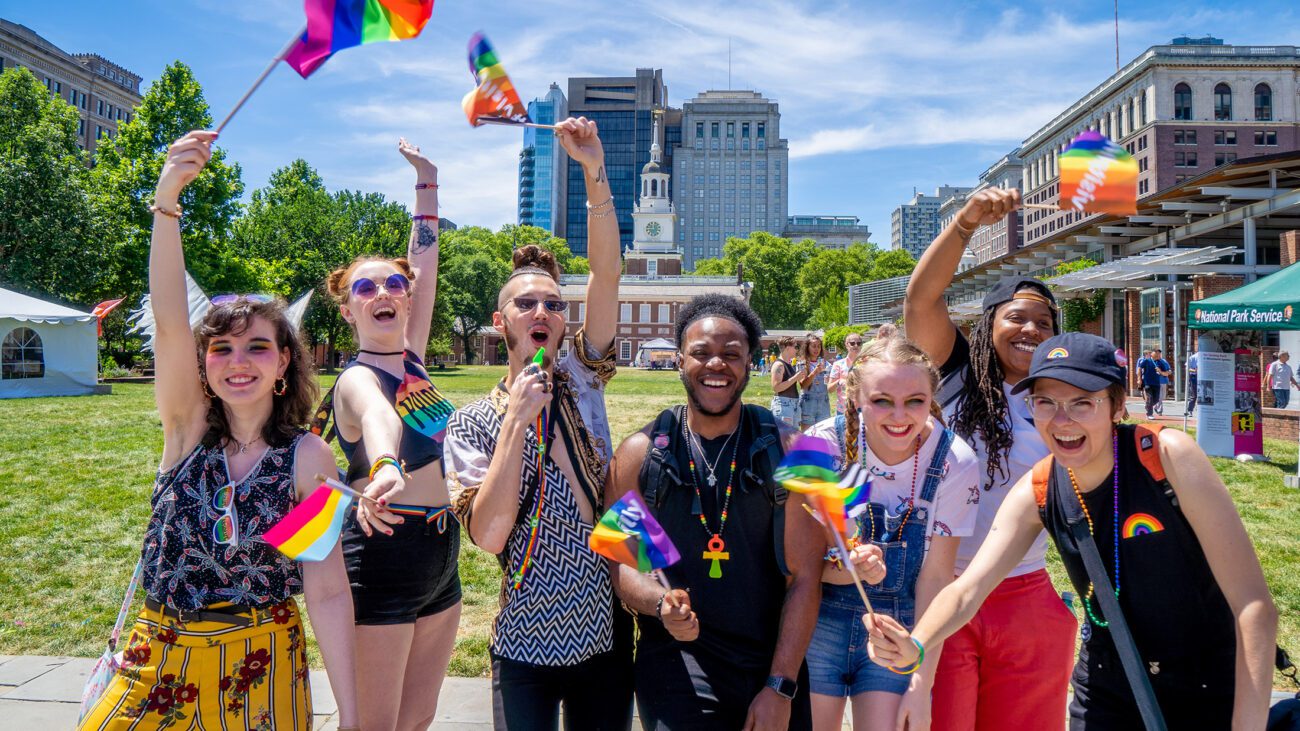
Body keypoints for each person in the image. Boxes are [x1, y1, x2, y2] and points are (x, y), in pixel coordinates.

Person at [80, 131, 359, 730]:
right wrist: (167, 202)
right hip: (158, 654)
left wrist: (353, 713)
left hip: (263, 662)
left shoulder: (308, 458)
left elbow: (327, 590)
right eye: (223, 348)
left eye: (259, 347)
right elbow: (169, 318)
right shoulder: (186, 433)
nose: (239, 361)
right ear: (203, 363)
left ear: (284, 363)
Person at [867, 332, 1279, 730]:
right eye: (1044, 402)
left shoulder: (1166, 457)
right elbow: (967, 589)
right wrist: (917, 644)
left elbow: (1253, 604)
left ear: (1117, 405)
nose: (1061, 421)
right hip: (1106, 685)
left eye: (1082, 403)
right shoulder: (1040, 488)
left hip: (1206, 683)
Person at [443, 117, 633, 730]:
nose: (543, 310)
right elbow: (489, 535)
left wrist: (593, 171)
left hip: (604, 629)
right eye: (526, 303)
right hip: (523, 638)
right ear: (503, 324)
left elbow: (607, 274)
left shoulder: (582, 373)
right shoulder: (471, 423)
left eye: (554, 302)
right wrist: (517, 424)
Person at [606, 294, 824, 730]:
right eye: (701, 353)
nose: (716, 365)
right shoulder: (641, 453)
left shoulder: (791, 449)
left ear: (751, 362)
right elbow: (622, 562)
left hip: (769, 660)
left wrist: (780, 686)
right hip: (676, 664)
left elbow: (805, 578)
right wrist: (661, 603)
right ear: (679, 361)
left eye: (731, 353)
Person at [903, 187, 1077, 731]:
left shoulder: (1064, 396)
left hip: (1027, 595)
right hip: (940, 590)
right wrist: (966, 223)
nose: (1032, 330)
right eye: (1017, 318)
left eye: (1045, 323)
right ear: (988, 323)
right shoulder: (954, 371)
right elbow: (921, 302)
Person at [319, 138, 458, 730]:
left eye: (394, 286)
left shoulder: (415, 357)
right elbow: (378, 417)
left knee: (417, 719)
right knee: (372, 724)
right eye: (365, 288)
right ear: (347, 310)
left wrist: (426, 182)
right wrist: (385, 467)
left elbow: (422, 264)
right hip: (382, 554)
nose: (383, 294)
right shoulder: (356, 380)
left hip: (440, 550)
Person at [803, 338, 980, 731]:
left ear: (932, 397)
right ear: (854, 396)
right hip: (817, 620)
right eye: (882, 400)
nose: (899, 416)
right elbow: (798, 566)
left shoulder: (955, 461)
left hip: (901, 627)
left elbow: (936, 579)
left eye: (915, 401)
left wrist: (920, 681)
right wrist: (846, 568)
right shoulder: (819, 447)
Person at [799, 333, 832, 430]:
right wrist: (815, 372)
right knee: (807, 435)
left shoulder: (827, 364)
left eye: (819, 346)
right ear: (807, 347)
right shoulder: (802, 364)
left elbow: (830, 385)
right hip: (808, 402)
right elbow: (803, 385)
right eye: (813, 346)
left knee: (823, 434)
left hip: (824, 403)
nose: (816, 349)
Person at [828, 333, 864, 416]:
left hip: (862, 408)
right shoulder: (838, 364)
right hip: (843, 409)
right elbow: (830, 389)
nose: (856, 345)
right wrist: (839, 381)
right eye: (852, 343)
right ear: (846, 345)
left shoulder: (866, 363)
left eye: (859, 343)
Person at [771, 336, 803, 429]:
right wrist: (795, 378)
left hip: (793, 405)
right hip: (783, 405)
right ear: (788, 348)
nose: (796, 350)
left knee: (793, 439)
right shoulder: (779, 365)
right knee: (784, 439)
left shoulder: (788, 364)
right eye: (795, 347)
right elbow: (776, 387)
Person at [1153, 349, 1172, 415]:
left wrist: (1167, 372)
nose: (1158, 354)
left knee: (1162, 396)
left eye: (1159, 353)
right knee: (1160, 396)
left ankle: (1155, 406)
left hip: (1164, 381)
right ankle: (1159, 410)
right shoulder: (1153, 362)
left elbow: (1169, 370)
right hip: (1157, 381)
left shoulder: (1164, 361)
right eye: (1156, 353)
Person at [1186, 346, 1200, 417]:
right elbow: (1187, 367)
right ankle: (1190, 410)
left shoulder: (1207, 357)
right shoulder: (1193, 357)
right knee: (1194, 395)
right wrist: (1194, 370)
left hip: (1203, 377)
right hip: (1194, 377)